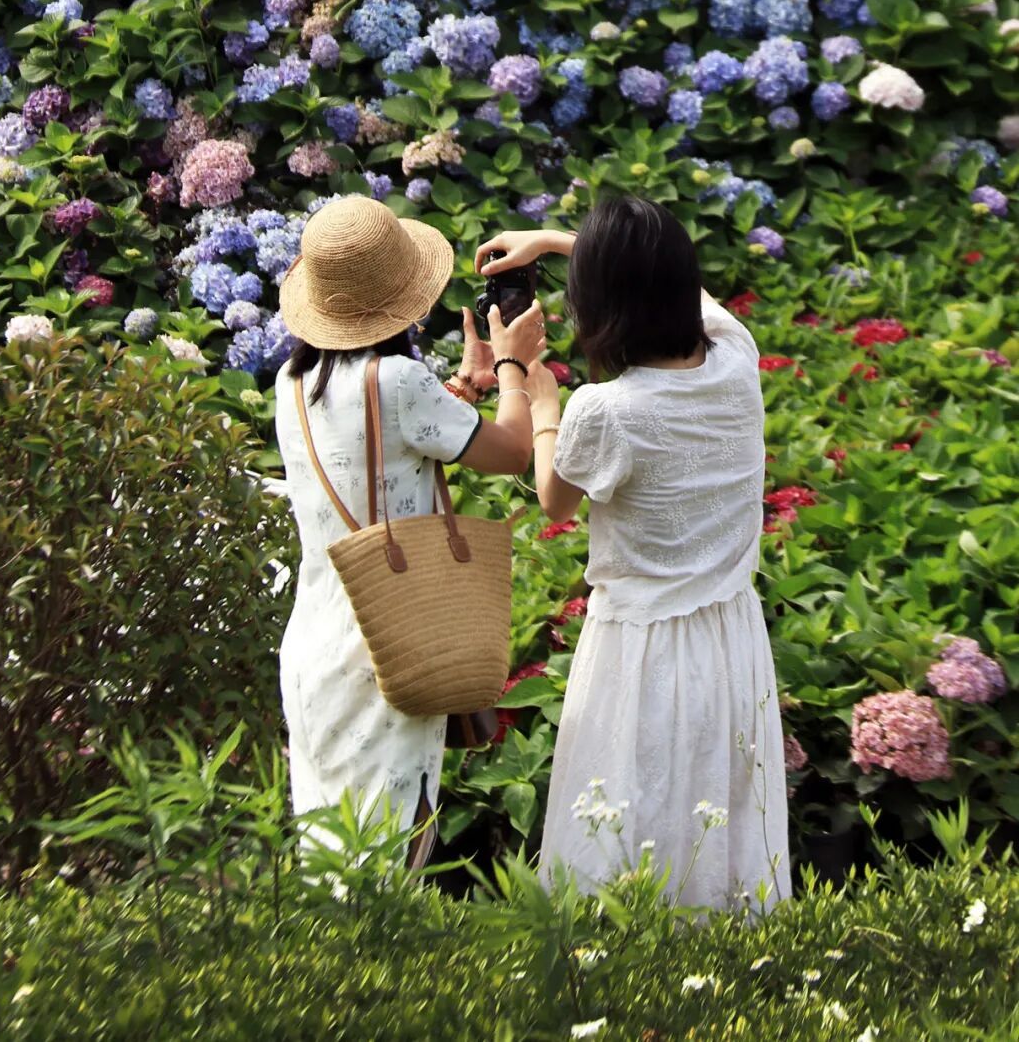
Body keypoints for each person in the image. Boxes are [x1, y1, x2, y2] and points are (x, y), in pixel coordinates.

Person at [476, 197, 790, 911]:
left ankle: (617, 961)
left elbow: (554, 499)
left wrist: (531, 388)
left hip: (640, 648)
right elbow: (689, 291)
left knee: (627, 813)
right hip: (731, 635)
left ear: (600, 305)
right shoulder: (735, 356)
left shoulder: (607, 409)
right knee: (719, 811)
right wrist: (555, 241)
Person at [275, 194, 544, 868]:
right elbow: (514, 452)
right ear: (404, 302)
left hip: (316, 643)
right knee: (388, 857)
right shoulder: (397, 379)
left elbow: (380, 446)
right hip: (389, 641)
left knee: (329, 858)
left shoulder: (292, 381)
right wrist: (512, 365)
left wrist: (464, 386)